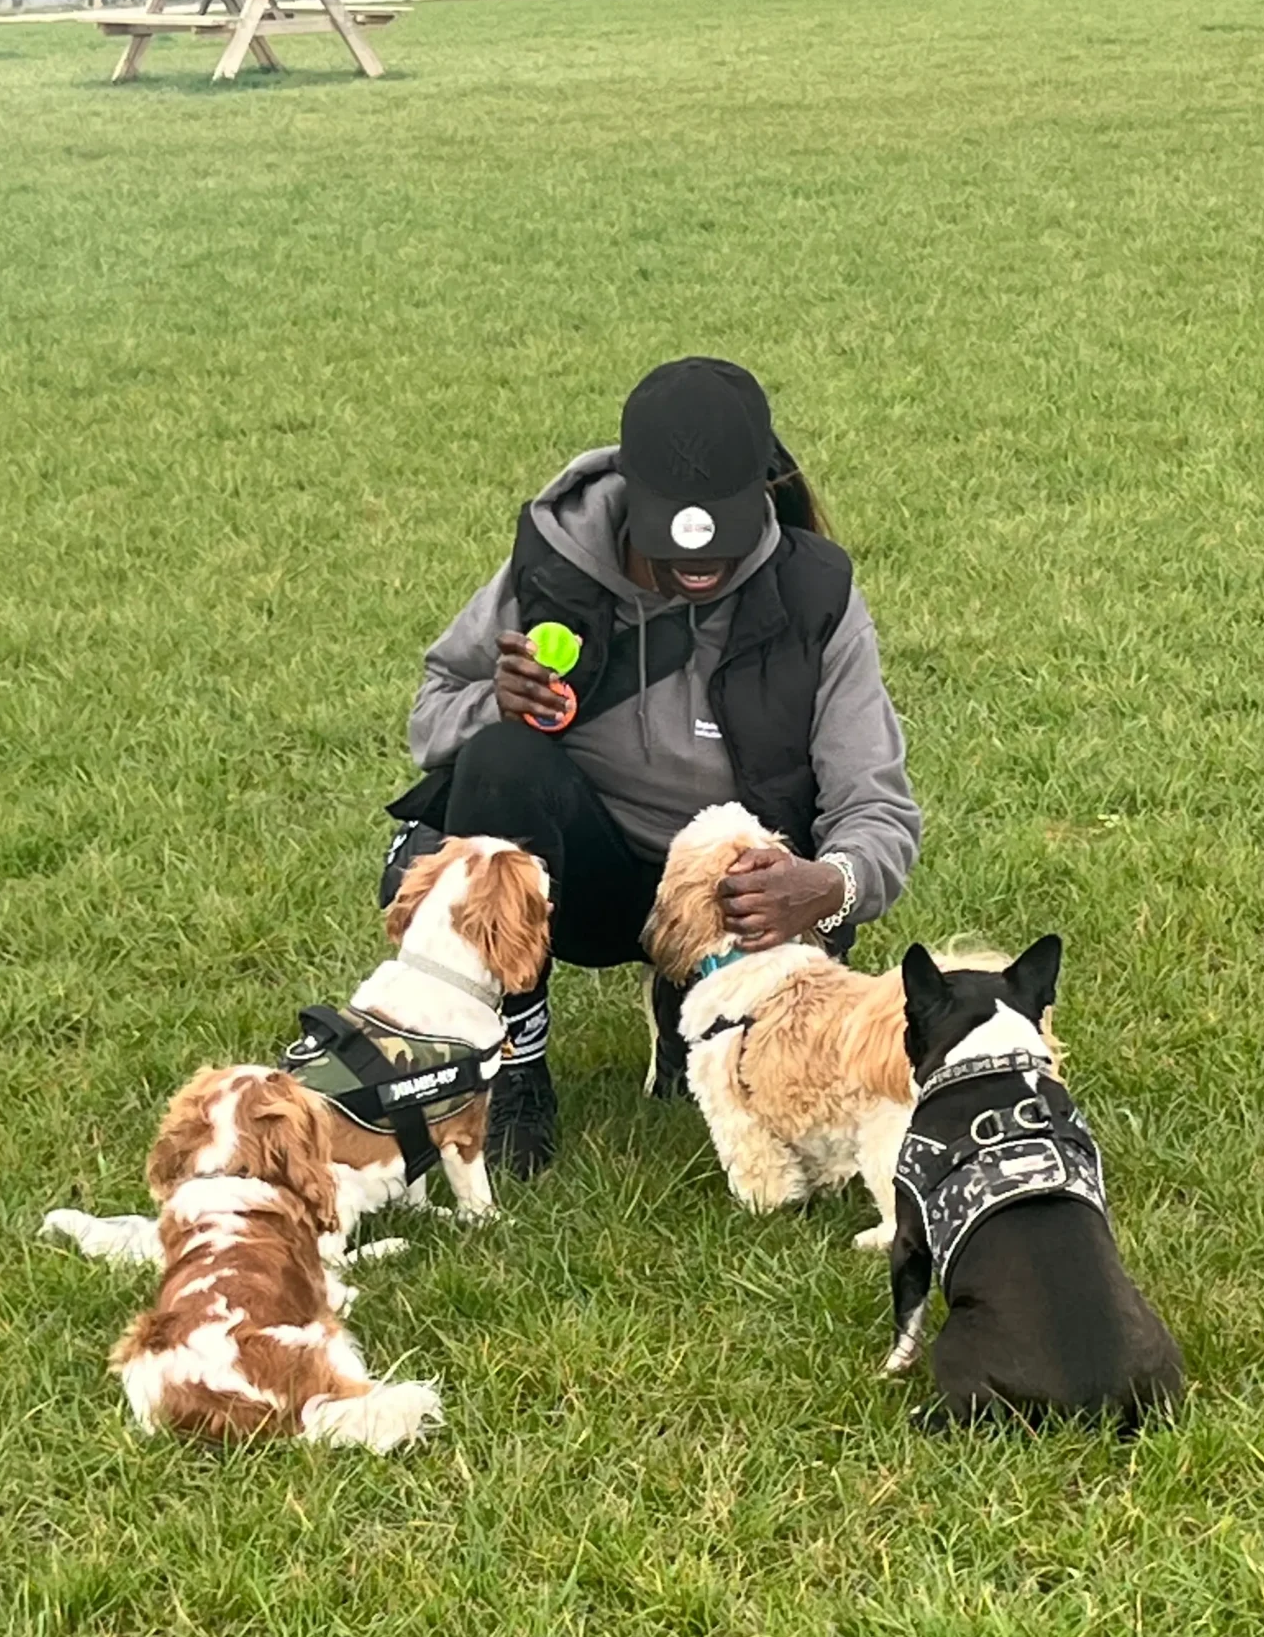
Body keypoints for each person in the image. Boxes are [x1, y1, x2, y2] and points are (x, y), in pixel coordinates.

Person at [383, 356, 922, 1177]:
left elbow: (876, 808)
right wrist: (498, 702)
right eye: (674, 542)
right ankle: (518, 1062)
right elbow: (431, 717)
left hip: (736, 904)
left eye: (723, 543)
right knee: (501, 759)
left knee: (799, 1061)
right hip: (581, 880)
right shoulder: (553, 568)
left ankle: (689, 1001)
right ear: (632, 497)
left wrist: (829, 885)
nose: (700, 568)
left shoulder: (815, 596)